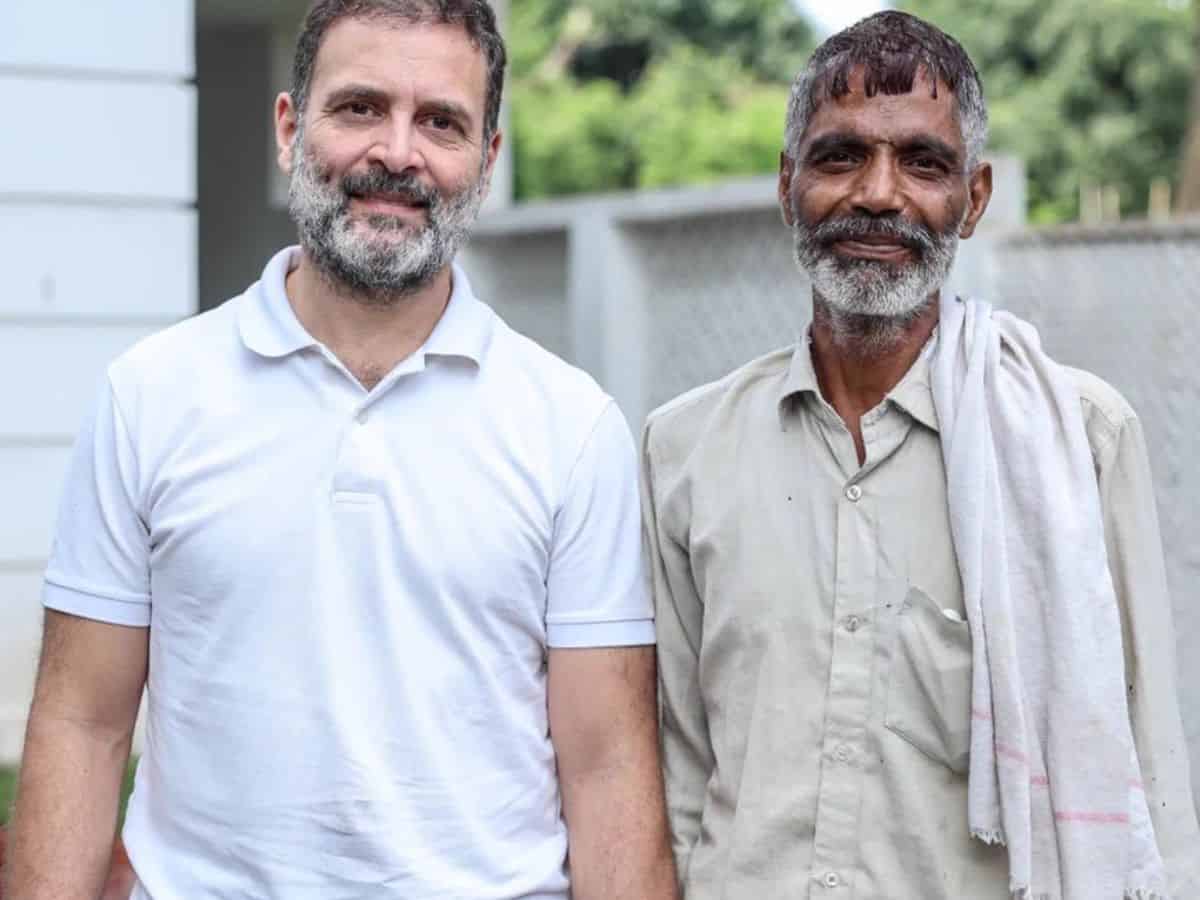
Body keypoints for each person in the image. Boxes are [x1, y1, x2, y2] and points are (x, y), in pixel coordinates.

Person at [4, 2, 677, 898]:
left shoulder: (569, 426)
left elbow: (606, 771)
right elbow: (81, 726)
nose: (397, 153)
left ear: (487, 159)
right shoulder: (150, 396)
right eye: (360, 107)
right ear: (290, 128)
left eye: (441, 122)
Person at [642, 11, 1200, 900]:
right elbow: (673, 769)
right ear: (787, 185)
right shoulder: (682, 450)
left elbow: (1149, 771)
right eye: (839, 157)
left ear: (972, 200)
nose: (878, 193)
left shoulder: (1077, 440)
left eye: (923, 163)